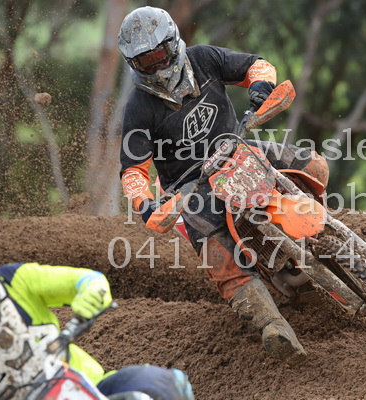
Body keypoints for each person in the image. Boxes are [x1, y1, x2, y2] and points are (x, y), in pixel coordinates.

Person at [118, 6, 329, 365]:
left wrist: (260, 86)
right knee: (221, 260)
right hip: (192, 189)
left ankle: (324, 233)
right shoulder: (138, 107)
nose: (155, 66)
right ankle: (272, 325)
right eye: (145, 62)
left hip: (238, 148)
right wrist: (144, 203)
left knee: (315, 166)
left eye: (159, 56)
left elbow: (256, 65)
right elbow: (133, 170)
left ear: (173, 44)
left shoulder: (204, 59)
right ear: (133, 64)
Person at [0, 234, 195, 400]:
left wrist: (92, 292)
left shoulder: (13, 280)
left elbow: (86, 279)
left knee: (162, 385)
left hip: (91, 385)